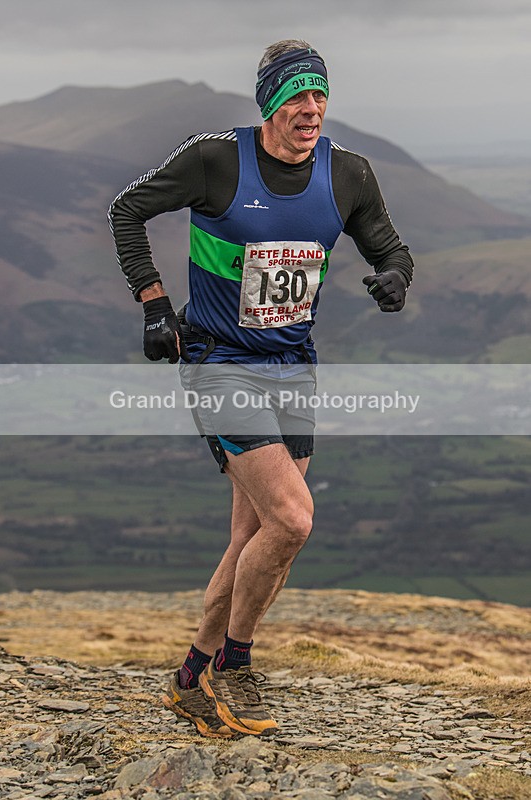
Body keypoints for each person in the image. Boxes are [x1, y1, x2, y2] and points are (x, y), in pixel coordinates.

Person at [108, 39, 414, 739]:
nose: (309, 110)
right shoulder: (215, 160)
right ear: (270, 102)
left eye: (318, 96)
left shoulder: (347, 175)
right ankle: (235, 666)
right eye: (294, 96)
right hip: (220, 361)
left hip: (292, 364)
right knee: (293, 520)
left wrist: (395, 277)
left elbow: (388, 248)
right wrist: (154, 303)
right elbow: (127, 209)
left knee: (255, 533)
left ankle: (190, 678)